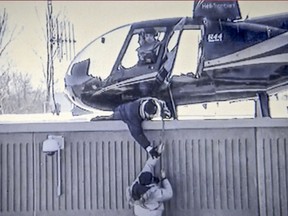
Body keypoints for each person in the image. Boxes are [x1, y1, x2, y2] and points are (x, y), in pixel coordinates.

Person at [91, 97, 171, 158]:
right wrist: (149, 148)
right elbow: (137, 134)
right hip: (122, 112)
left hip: (131, 105)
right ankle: (96, 119)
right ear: (146, 114)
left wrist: (166, 112)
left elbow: (162, 103)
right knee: (110, 119)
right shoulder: (133, 117)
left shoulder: (152, 102)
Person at [126, 146, 173, 216]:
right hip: (154, 213)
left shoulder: (136, 184)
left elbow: (148, 165)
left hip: (140, 212)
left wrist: (157, 153)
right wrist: (164, 178)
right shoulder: (155, 194)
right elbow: (169, 194)